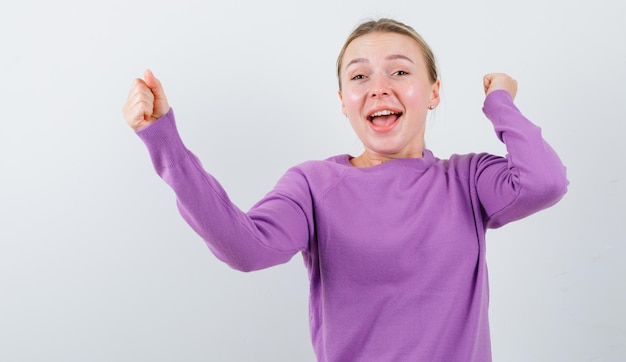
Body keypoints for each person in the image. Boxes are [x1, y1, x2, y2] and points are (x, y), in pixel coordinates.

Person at [123, 18, 568, 361]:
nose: (378, 88)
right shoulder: (314, 186)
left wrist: (500, 102)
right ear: (342, 101)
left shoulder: (468, 181)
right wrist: (165, 140)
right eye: (359, 77)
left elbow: (544, 181)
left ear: (433, 92)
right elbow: (245, 248)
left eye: (399, 71)